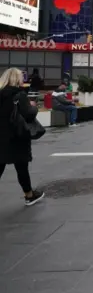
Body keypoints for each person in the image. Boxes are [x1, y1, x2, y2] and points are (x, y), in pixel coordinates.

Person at [0, 68, 45, 205]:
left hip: (1, 137)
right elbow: (28, 114)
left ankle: (30, 195)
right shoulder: (19, 95)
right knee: (21, 168)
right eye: (21, 77)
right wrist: (33, 106)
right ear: (15, 79)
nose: (23, 79)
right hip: (17, 136)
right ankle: (29, 195)